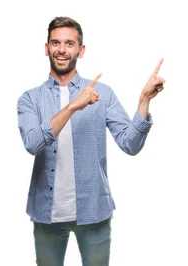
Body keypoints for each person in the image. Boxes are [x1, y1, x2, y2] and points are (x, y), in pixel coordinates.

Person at [17, 16, 165, 266]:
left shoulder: (103, 93)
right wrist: (73, 106)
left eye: (69, 43)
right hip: (46, 213)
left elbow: (130, 144)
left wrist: (143, 101)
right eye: (55, 43)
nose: (62, 50)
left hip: (94, 211)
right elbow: (32, 143)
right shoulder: (29, 99)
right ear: (46, 48)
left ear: (80, 50)